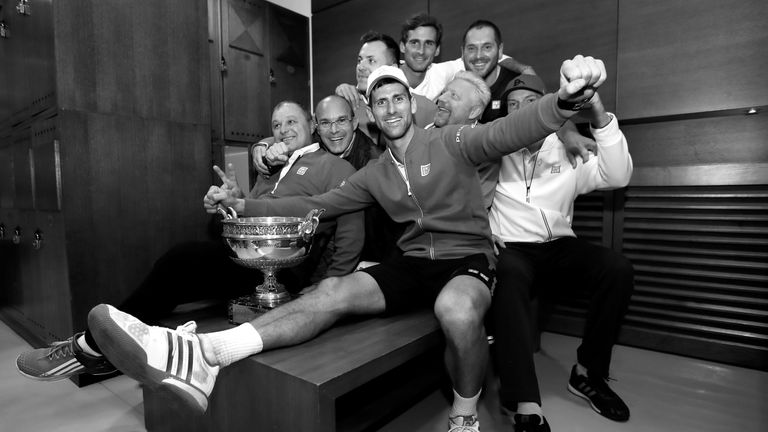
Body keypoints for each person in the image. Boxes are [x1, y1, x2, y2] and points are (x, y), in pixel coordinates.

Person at [85, 56, 606, 432]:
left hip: (466, 259)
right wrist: (244, 205)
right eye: (380, 102)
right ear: (373, 117)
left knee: (457, 310)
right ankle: (206, 354)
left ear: (412, 104)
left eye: (398, 97)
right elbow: (318, 204)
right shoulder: (375, 172)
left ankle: (465, 413)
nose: (390, 107)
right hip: (409, 263)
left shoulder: (449, 140)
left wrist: (560, 104)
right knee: (332, 291)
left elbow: (507, 132)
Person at [15, 101, 364, 382]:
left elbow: (350, 234)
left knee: (181, 261)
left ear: (311, 125)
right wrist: (230, 202)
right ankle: (105, 349)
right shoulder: (273, 170)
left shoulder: (336, 169)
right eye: (276, 125)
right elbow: (250, 222)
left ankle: (89, 348)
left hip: (286, 272)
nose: (283, 130)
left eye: (292, 122)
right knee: (176, 268)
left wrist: (322, 290)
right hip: (250, 261)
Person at [489, 74, 634, 431]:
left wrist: (597, 118)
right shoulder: (493, 147)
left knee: (617, 268)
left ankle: (588, 373)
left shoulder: (566, 147)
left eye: (529, 103)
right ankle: (526, 402)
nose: (520, 111)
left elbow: (617, 176)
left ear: (547, 108)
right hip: (512, 248)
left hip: (558, 246)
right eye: (512, 105)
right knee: (507, 273)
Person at [334, 31, 438, 142]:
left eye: (371, 60)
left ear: (393, 68)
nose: (361, 67)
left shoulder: (426, 109)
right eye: (359, 60)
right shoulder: (349, 105)